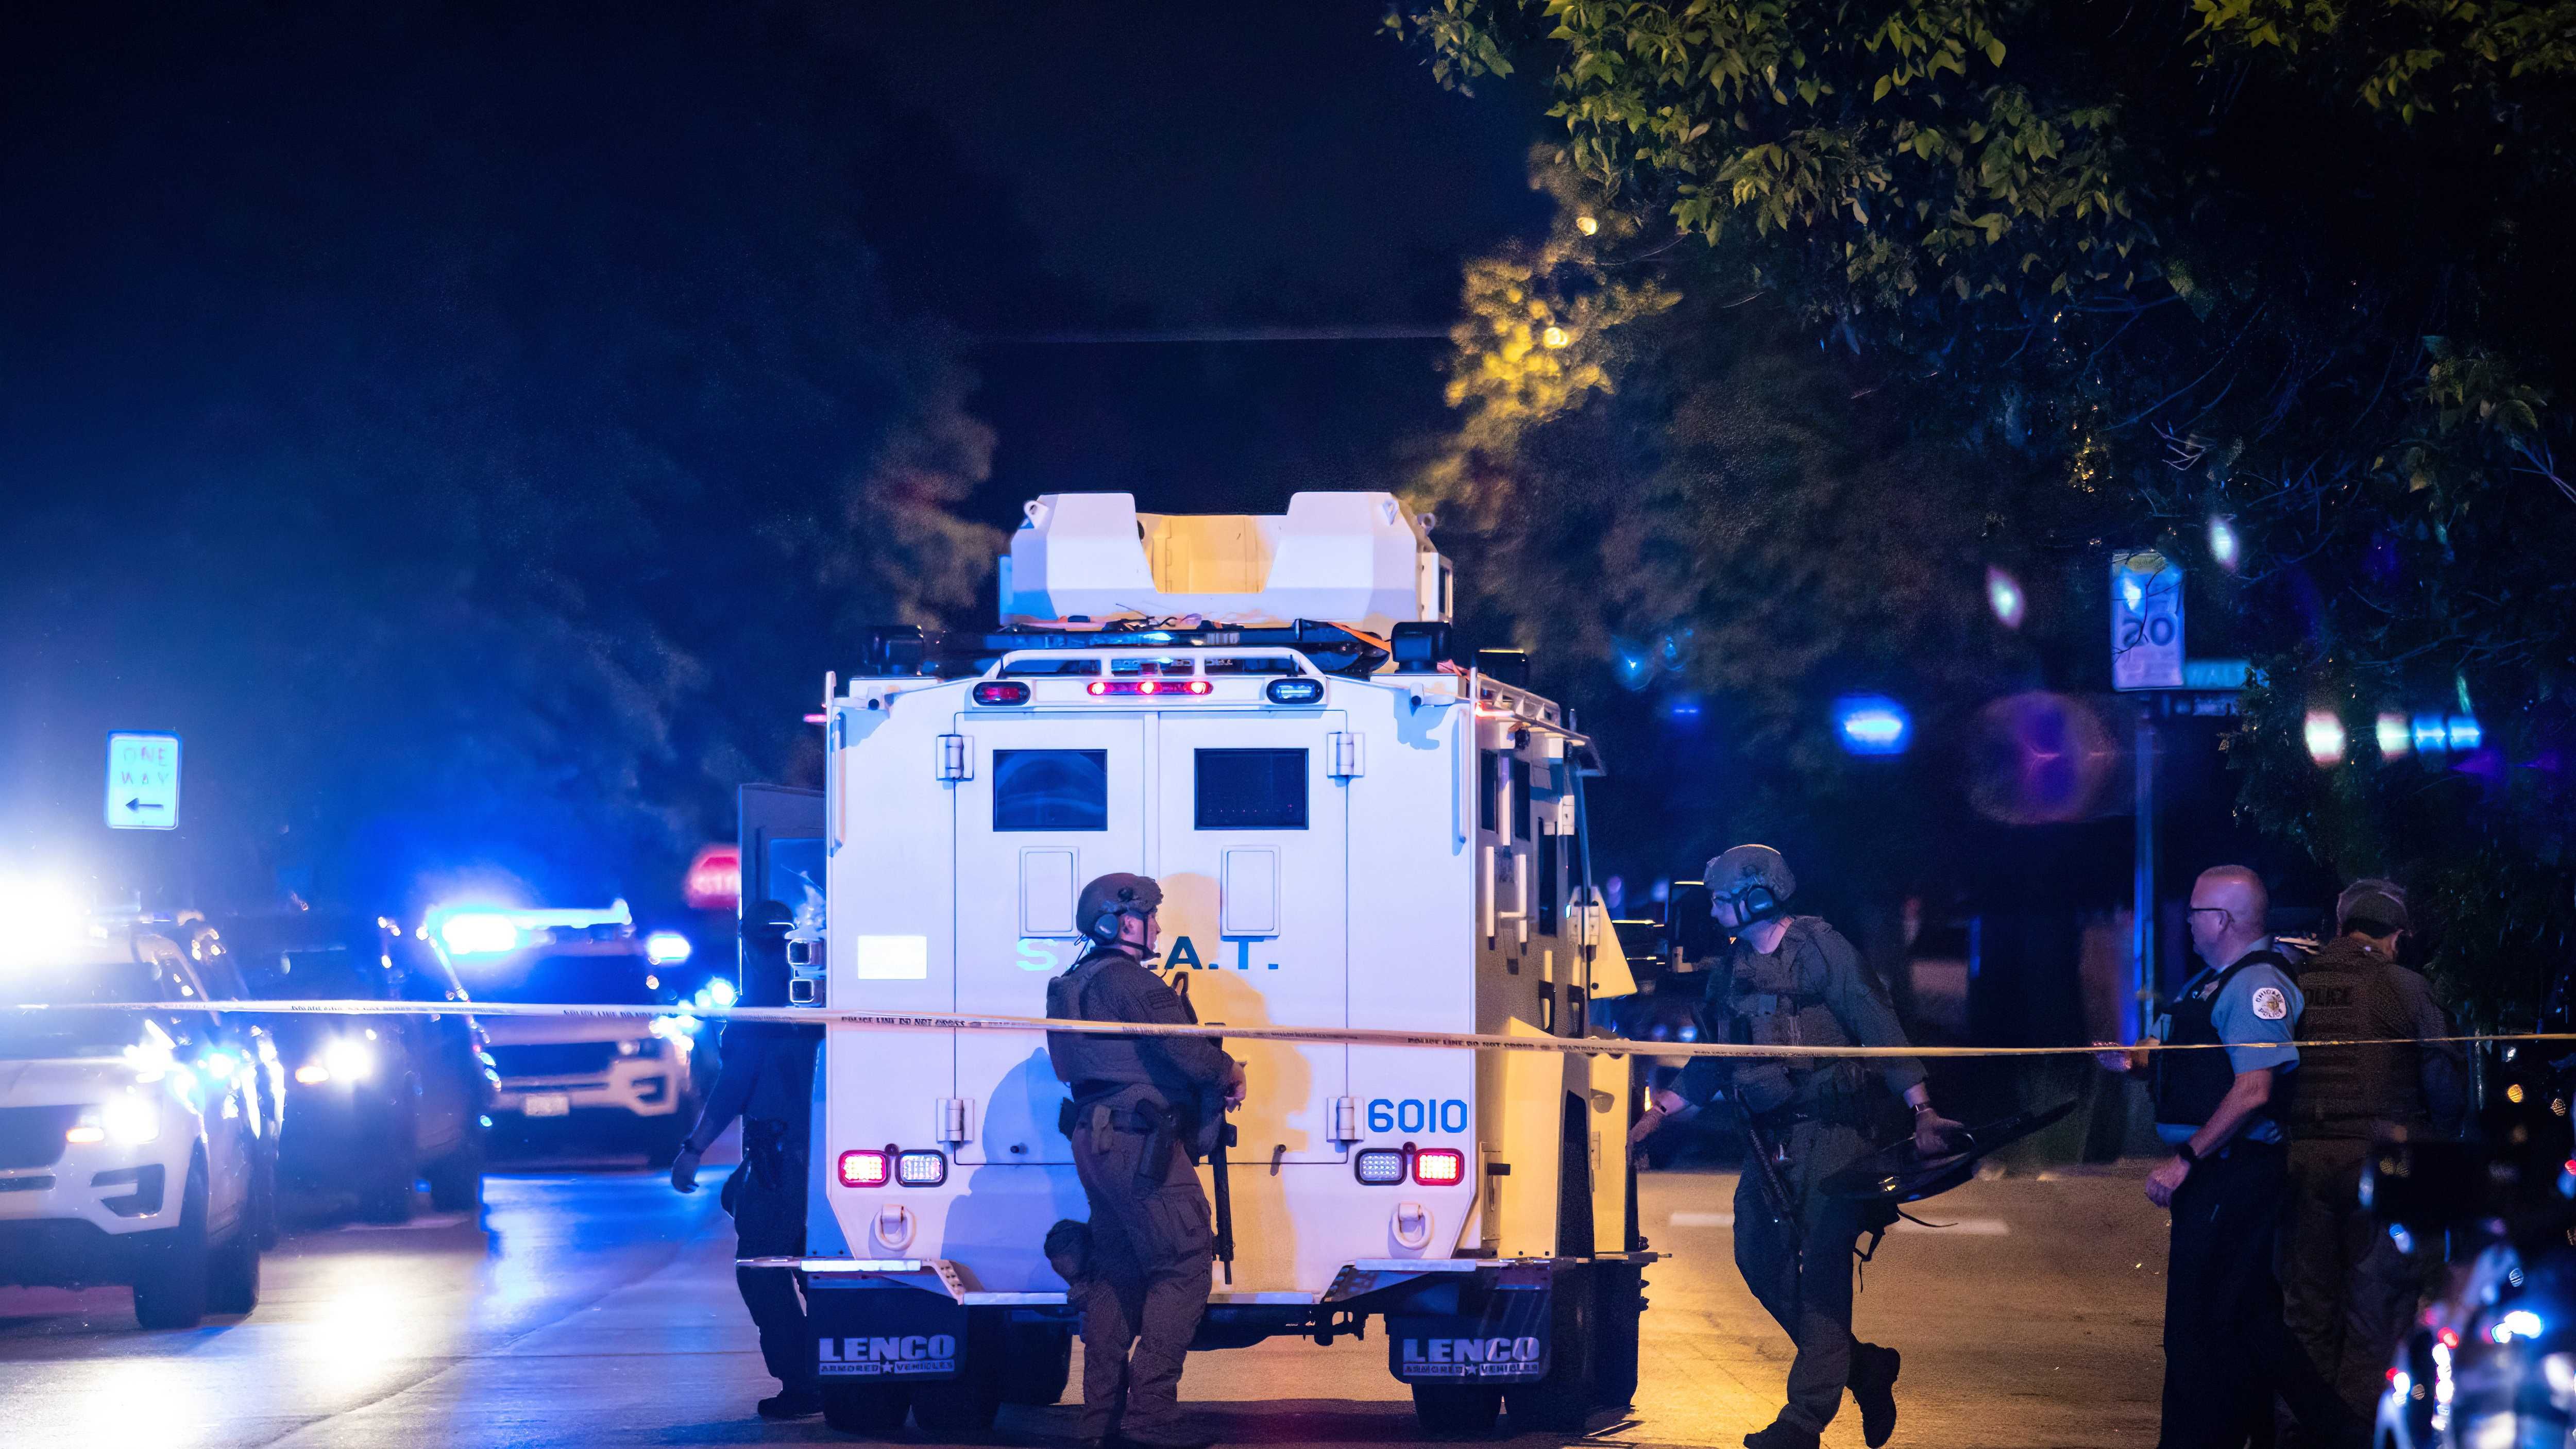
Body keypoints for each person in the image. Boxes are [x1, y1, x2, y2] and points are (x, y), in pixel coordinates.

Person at [1627, 845, 1960, 1449]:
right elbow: (1711, 1063)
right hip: (1769, 1139)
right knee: (1755, 1255)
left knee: (1824, 1269)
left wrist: (1922, 1110)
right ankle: (1862, 1365)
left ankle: (1803, 1421)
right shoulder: (1732, 969)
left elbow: (1880, 1028)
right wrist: (1655, 1116)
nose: (1714, 911)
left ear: (1756, 896)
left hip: (1833, 1132)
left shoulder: (1821, 950)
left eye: (1721, 900)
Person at [2096, 866, 2360, 1449]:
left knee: (2202, 1323)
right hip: (2217, 1172)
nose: (2188, 922)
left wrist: (2185, 1159)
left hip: (2232, 1170)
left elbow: (2253, 1090)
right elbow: (2180, 1058)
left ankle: (2332, 1430)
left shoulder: (2256, 985)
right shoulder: (2210, 983)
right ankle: (2320, 1431)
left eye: (2196, 912)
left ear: (2223, 919)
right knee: (2242, 1317)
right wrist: (2129, 1061)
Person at [1045, 872, 1244, 1449]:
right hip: (1139, 1145)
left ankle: (1100, 1423)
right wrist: (1229, 1071)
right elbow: (1186, 1052)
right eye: (1150, 915)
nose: (1157, 926)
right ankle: (1151, 1417)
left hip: (1099, 1140)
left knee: (1119, 1272)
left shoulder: (1078, 980)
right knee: (1184, 1263)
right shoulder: (1128, 981)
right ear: (1118, 922)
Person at [2280, 880, 2464, 1425]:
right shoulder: (2404, 986)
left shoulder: (2295, 981)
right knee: (2375, 1317)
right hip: (2378, 1168)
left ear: (2342, 929)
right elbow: (2443, 1083)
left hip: (2302, 1161)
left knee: (2305, 1315)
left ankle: (2302, 1435)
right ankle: (2358, 1435)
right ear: (2397, 937)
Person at [668, 899, 823, 1421]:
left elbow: (732, 1087)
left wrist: (693, 1149)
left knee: (760, 1268)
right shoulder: (820, 996)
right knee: (815, 1267)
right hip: (823, 1157)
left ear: (746, 944)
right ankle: (837, 1372)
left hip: (781, 1161)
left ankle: (803, 1382)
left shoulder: (757, 1006)